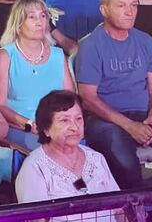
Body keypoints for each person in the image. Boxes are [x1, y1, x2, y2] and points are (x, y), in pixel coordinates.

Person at [76, 0, 152, 188]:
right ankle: (134, 205)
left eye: (134, 5)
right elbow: (88, 99)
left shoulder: (145, 41)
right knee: (123, 156)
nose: (130, 12)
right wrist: (129, 126)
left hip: (143, 117)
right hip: (105, 120)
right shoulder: (91, 45)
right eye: (121, 6)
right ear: (104, 10)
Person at [15, 90, 121, 222]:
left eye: (78, 119)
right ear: (46, 129)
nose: (74, 127)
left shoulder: (96, 158)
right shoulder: (35, 167)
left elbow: (120, 209)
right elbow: (36, 220)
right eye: (64, 120)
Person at [0, 0, 76, 149]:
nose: (39, 22)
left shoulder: (58, 55)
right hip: (21, 128)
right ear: (18, 24)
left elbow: (70, 99)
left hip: (56, 127)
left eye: (43, 16)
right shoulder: (5, 56)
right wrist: (30, 124)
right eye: (32, 17)